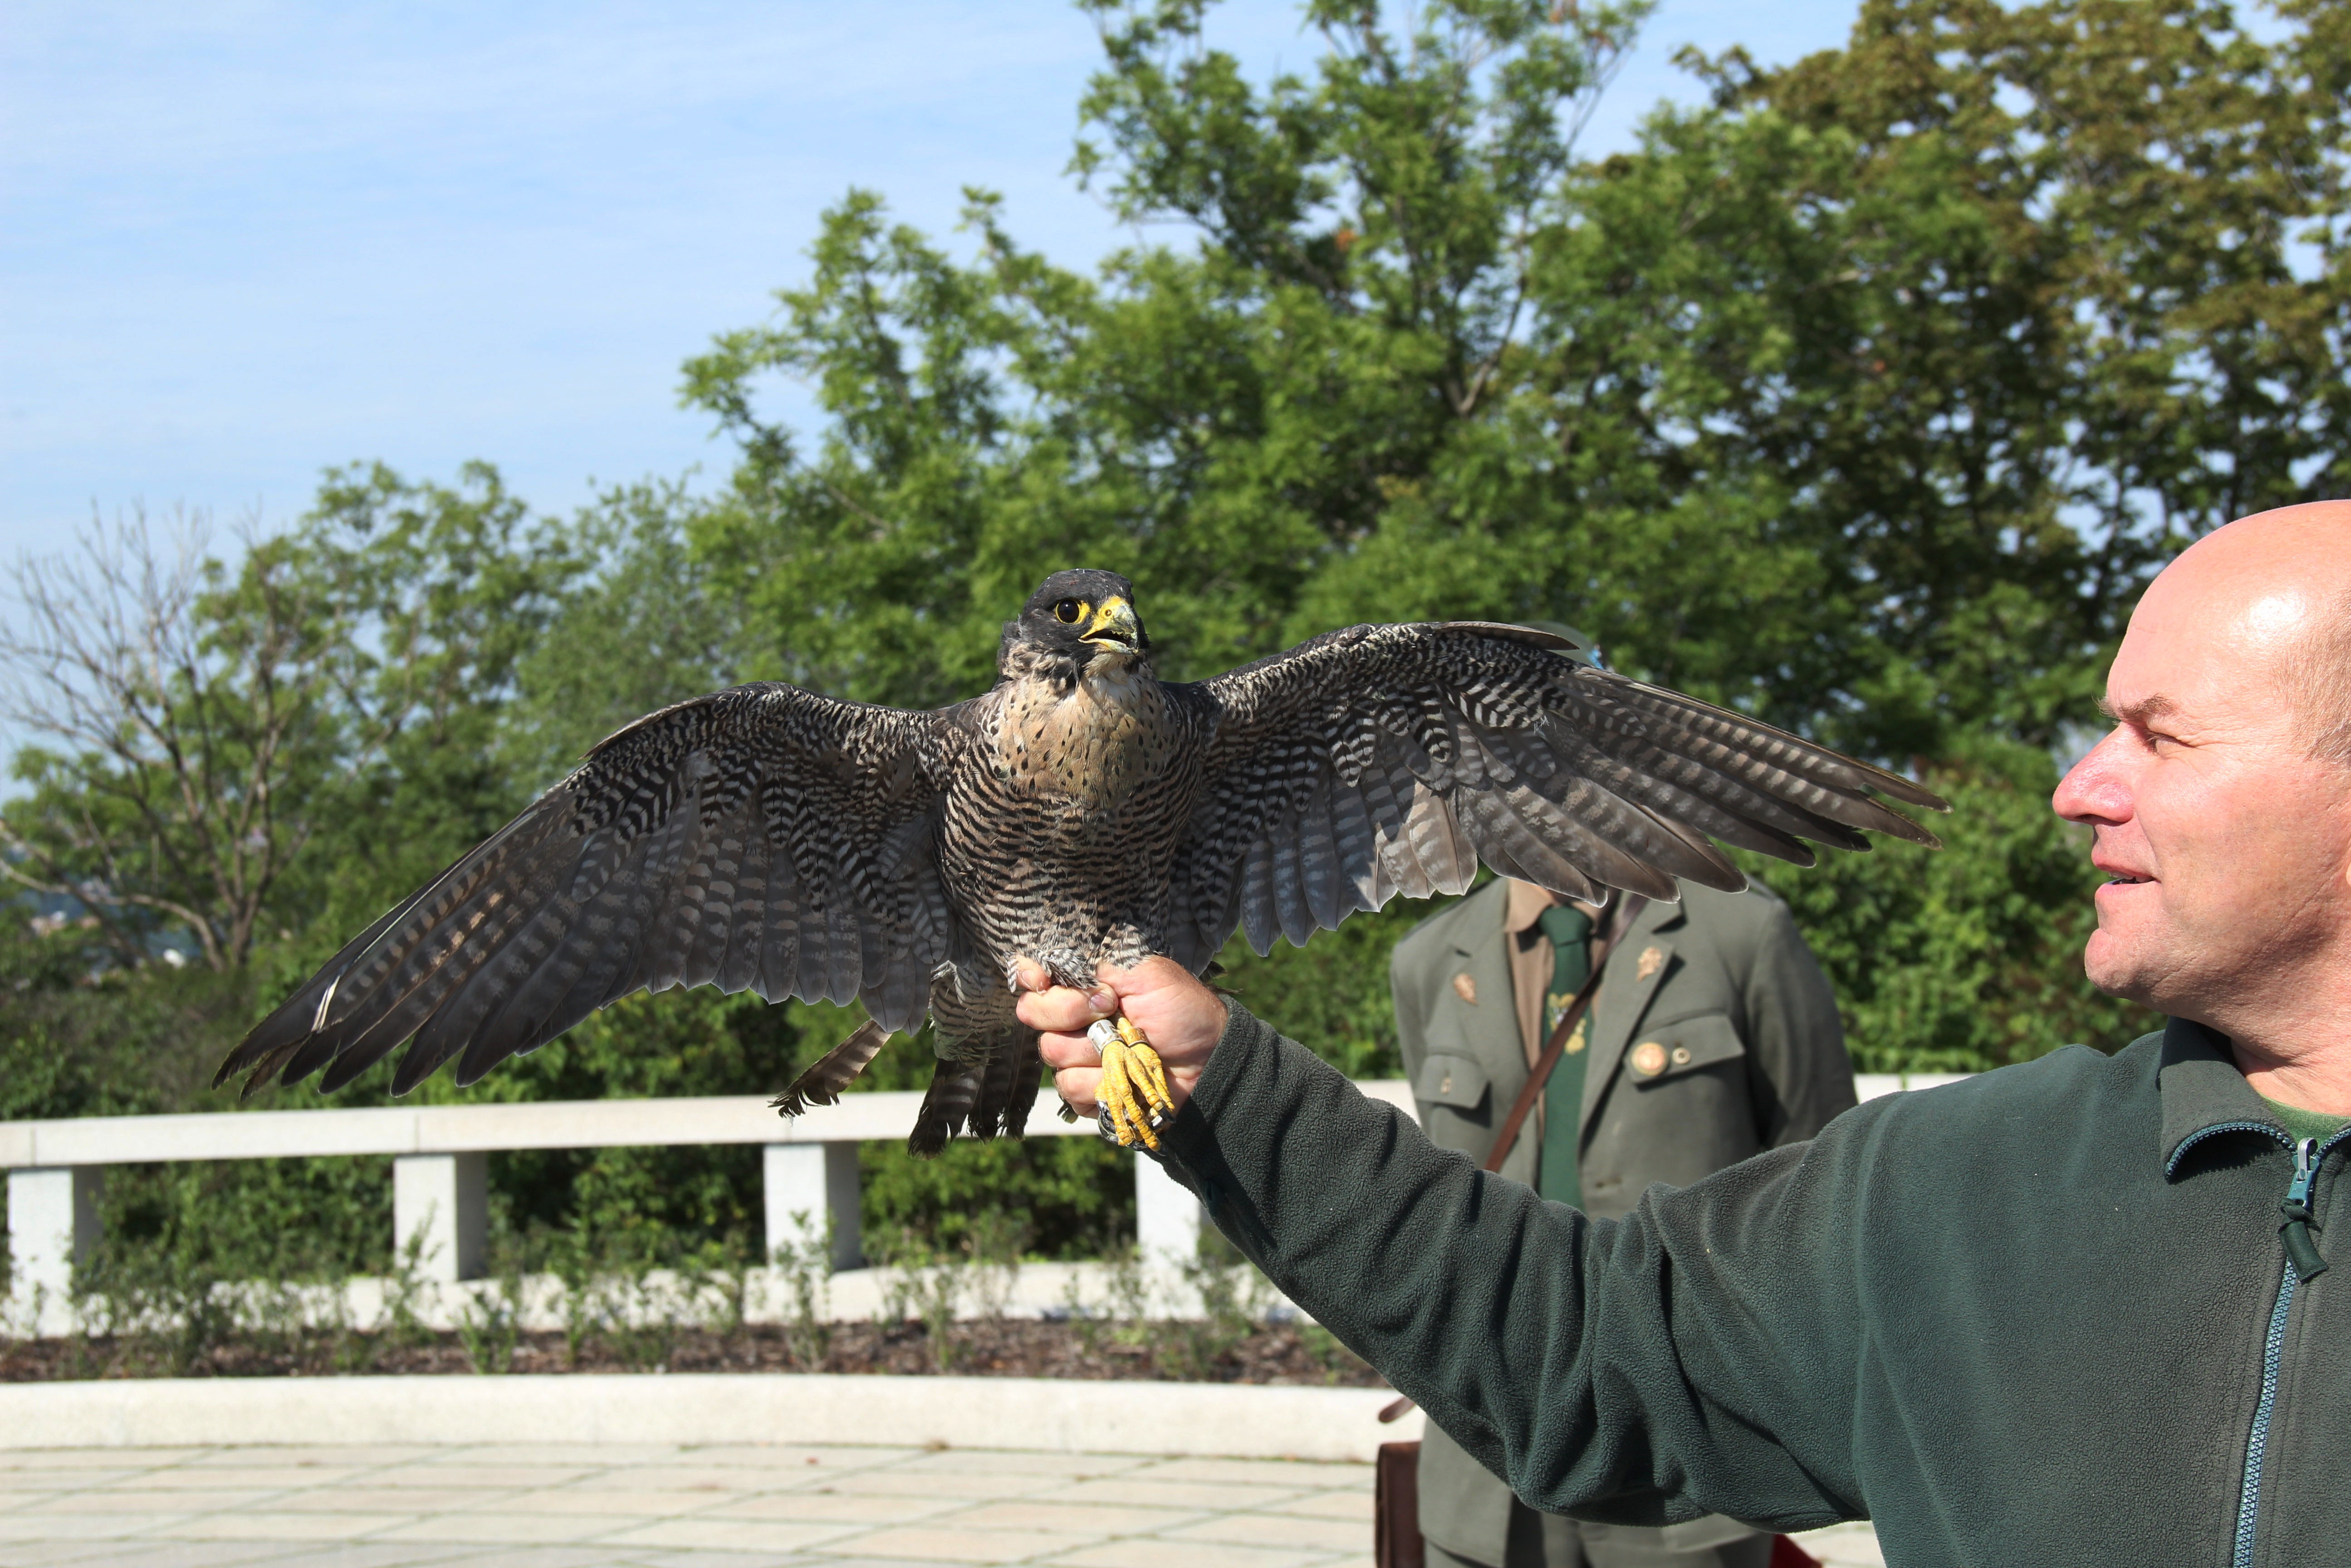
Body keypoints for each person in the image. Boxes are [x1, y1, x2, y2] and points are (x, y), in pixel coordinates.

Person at [1022, 501, 2351, 1564]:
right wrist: (1224, 1092)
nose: (2075, 788)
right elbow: (1583, 1347)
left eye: (2159, 739)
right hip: (1493, 1510)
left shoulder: (1739, 945)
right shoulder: (1954, 1188)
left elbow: (1787, 1123)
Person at [1394, 871, 1851, 1568]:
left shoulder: (1738, 932)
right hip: (1489, 1444)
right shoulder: (1429, 959)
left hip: (1688, 1445)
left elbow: (1820, 1182)